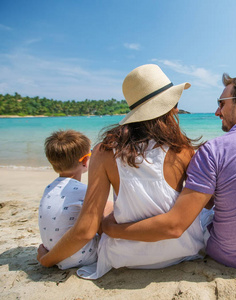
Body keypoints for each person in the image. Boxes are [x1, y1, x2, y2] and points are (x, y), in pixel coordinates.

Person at [102, 72, 236, 273]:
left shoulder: (215, 150)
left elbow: (175, 226)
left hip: (229, 256)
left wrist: (110, 229)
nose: (217, 112)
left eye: (221, 103)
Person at [37, 64, 206, 279]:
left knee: (105, 211)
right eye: (175, 104)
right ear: (168, 107)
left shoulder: (104, 152)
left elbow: (85, 230)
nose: (175, 110)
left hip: (125, 256)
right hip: (183, 250)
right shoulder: (182, 150)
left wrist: (46, 259)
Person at [39, 129, 98, 269]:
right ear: (85, 160)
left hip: (53, 252)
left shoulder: (49, 188)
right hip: (78, 258)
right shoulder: (83, 191)